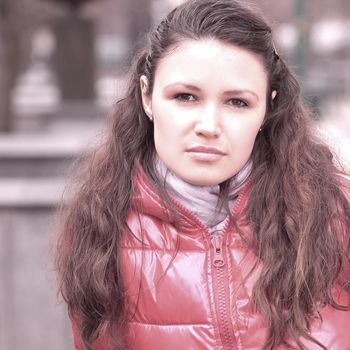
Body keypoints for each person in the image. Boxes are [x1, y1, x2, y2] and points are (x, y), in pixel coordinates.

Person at [55, 0, 350, 349]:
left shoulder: (333, 211)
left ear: (268, 106)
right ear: (147, 96)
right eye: (185, 97)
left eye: (237, 102)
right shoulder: (101, 225)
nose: (209, 126)